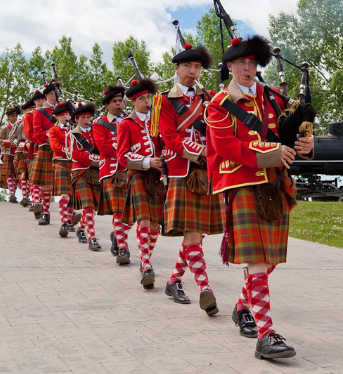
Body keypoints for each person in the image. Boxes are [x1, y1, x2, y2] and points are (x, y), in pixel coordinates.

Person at [205, 34, 314, 360]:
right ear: (230, 66)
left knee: (268, 261)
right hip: (241, 184)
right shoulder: (219, 104)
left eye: (252, 63)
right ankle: (266, 335)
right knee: (257, 260)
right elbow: (226, 147)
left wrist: (307, 146)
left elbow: (292, 134)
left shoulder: (274, 98)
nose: (247, 68)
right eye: (241, 63)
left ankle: (242, 306)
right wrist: (272, 152)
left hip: (275, 184)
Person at [155, 44, 222, 316]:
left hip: (208, 170)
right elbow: (169, 138)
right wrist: (202, 152)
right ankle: (206, 289)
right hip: (184, 169)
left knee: (198, 233)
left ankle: (173, 281)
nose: (193, 72)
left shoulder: (211, 97)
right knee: (193, 233)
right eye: (188, 67)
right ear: (176, 69)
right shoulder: (165, 100)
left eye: (197, 68)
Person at [117, 78, 163, 289]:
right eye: (142, 99)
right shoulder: (126, 124)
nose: (147, 101)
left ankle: (146, 258)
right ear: (133, 102)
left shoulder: (159, 120)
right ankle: (146, 265)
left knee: (155, 225)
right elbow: (122, 157)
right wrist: (146, 161)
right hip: (138, 175)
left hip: (157, 177)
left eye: (148, 97)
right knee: (144, 221)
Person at [92, 84, 130, 264]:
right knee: (119, 210)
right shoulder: (99, 124)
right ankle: (123, 249)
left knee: (136, 212)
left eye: (120, 100)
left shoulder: (131, 119)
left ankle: (117, 233)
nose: (118, 104)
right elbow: (103, 146)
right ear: (107, 104)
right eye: (114, 101)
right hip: (112, 170)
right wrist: (127, 152)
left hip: (131, 169)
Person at [68, 102, 103, 251]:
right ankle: (92, 238)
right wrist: (95, 159)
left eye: (88, 117)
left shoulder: (96, 130)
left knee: (92, 208)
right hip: (81, 172)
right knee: (88, 207)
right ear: (76, 119)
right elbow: (74, 154)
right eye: (83, 117)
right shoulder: (72, 134)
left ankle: (80, 228)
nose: (86, 120)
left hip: (96, 172)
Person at [29, 84, 58, 225]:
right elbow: (38, 133)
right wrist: (53, 137)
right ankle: (46, 213)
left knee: (67, 184)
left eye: (56, 93)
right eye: (52, 93)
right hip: (46, 148)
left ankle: (69, 218)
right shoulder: (39, 112)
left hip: (62, 150)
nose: (54, 96)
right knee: (46, 184)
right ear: (46, 95)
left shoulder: (63, 110)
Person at [49, 101, 75, 233]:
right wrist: (70, 151)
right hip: (61, 163)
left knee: (73, 194)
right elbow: (55, 148)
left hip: (74, 163)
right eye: (64, 115)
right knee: (65, 195)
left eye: (68, 114)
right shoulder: (53, 130)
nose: (67, 117)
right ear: (58, 117)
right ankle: (64, 222)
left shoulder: (75, 129)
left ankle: (70, 220)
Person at [24, 90, 44, 211]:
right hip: (36, 147)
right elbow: (29, 133)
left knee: (44, 178)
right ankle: (35, 201)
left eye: (42, 99)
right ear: (35, 102)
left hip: (48, 148)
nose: (41, 102)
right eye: (38, 100)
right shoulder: (30, 116)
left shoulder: (51, 114)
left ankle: (41, 201)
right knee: (35, 176)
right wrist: (41, 138)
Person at [0, 106, 21, 203]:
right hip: (7, 153)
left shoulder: (20, 126)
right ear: (8, 117)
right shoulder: (4, 129)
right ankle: (12, 194)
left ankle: (17, 193)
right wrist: (8, 143)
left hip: (18, 153)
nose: (15, 117)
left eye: (16, 115)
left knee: (17, 174)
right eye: (13, 116)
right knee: (9, 174)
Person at [12, 101, 33, 206]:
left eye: (33, 109)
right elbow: (13, 139)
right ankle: (25, 196)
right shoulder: (19, 124)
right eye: (29, 109)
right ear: (24, 111)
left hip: (33, 152)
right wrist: (24, 145)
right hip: (22, 152)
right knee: (24, 174)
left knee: (32, 175)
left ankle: (35, 198)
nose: (32, 111)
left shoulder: (37, 121)